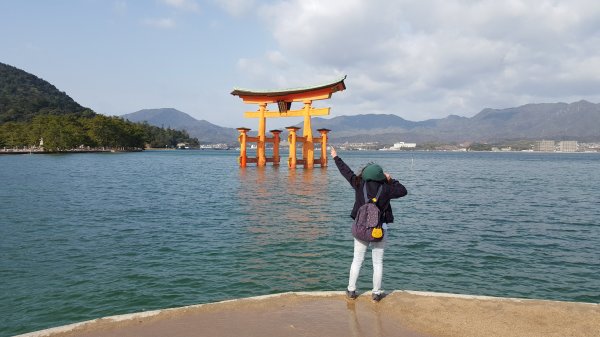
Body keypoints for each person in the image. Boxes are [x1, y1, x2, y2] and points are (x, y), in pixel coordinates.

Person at [330, 146, 407, 302]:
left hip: (361, 228)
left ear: (365, 174)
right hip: (380, 229)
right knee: (377, 262)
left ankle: (351, 290)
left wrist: (335, 157)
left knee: (357, 259)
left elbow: (346, 172)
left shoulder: (358, 184)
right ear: (380, 176)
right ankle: (376, 293)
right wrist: (390, 179)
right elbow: (403, 190)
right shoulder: (386, 188)